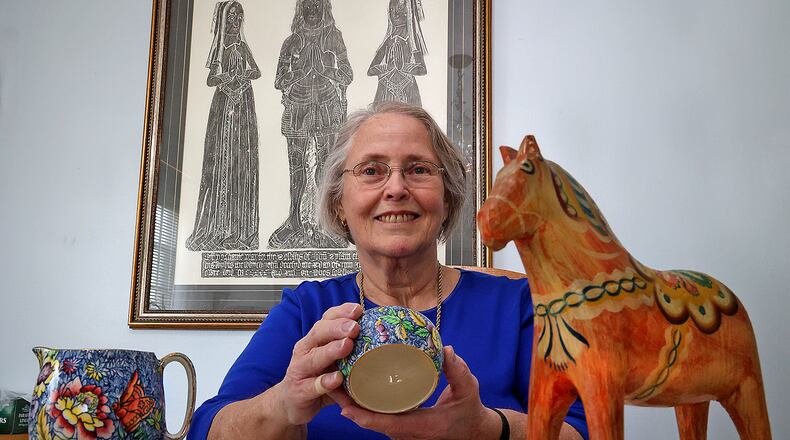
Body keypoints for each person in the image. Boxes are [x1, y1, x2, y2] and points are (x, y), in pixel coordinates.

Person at [187, 102, 588, 439]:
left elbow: (584, 431)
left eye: (419, 169)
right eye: (371, 171)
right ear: (340, 204)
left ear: (447, 199)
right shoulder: (307, 309)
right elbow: (207, 429)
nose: (396, 188)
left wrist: (488, 428)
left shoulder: (517, 306)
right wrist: (283, 403)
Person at [269, 0, 353, 249]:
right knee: (296, 168)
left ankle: (328, 224)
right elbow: (278, 80)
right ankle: (294, 220)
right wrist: (301, 71)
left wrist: (326, 70)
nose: (313, 10)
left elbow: (347, 74)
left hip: (327, 106)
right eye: (308, 5)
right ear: (301, 9)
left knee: (326, 170)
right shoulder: (291, 41)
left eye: (317, 5)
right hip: (298, 106)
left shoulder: (334, 37)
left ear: (324, 8)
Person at [186, 0, 260, 251]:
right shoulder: (220, 47)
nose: (236, 21)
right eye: (231, 17)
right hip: (225, 103)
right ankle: (217, 229)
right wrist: (227, 78)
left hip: (243, 104)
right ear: (223, 20)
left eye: (239, 17)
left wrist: (245, 76)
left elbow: (256, 71)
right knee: (222, 161)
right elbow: (211, 79)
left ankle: (239, 232)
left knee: (241, 163)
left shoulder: (242, 45)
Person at [368, 0, 428, 106]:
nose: (394, 14)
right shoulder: (388, 40)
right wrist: (388, 68)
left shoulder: (412, 40)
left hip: (407, 90)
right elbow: (370, 71)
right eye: (392, 10)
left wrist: (402, 67)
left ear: (408, 12)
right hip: (385, 90)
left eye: (399, 10)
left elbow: (422, 70)